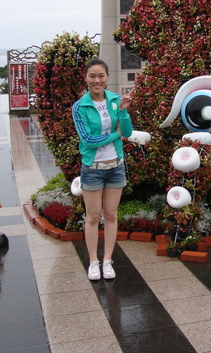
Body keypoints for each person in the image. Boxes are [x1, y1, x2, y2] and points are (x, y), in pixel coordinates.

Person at [72, 59, 133, 281]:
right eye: (92, 76)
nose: (97, 80)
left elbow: (127, 130)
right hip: (93, 168)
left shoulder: (116, 101)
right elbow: (88, 140)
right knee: (92, 217)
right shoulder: (80, 106)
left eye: (101, 76)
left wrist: (124, 112)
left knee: (111, 215)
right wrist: (116, 134)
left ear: (107, 77)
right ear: (86, 78)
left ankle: (107, 260)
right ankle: (93, 261)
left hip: (116, 166)